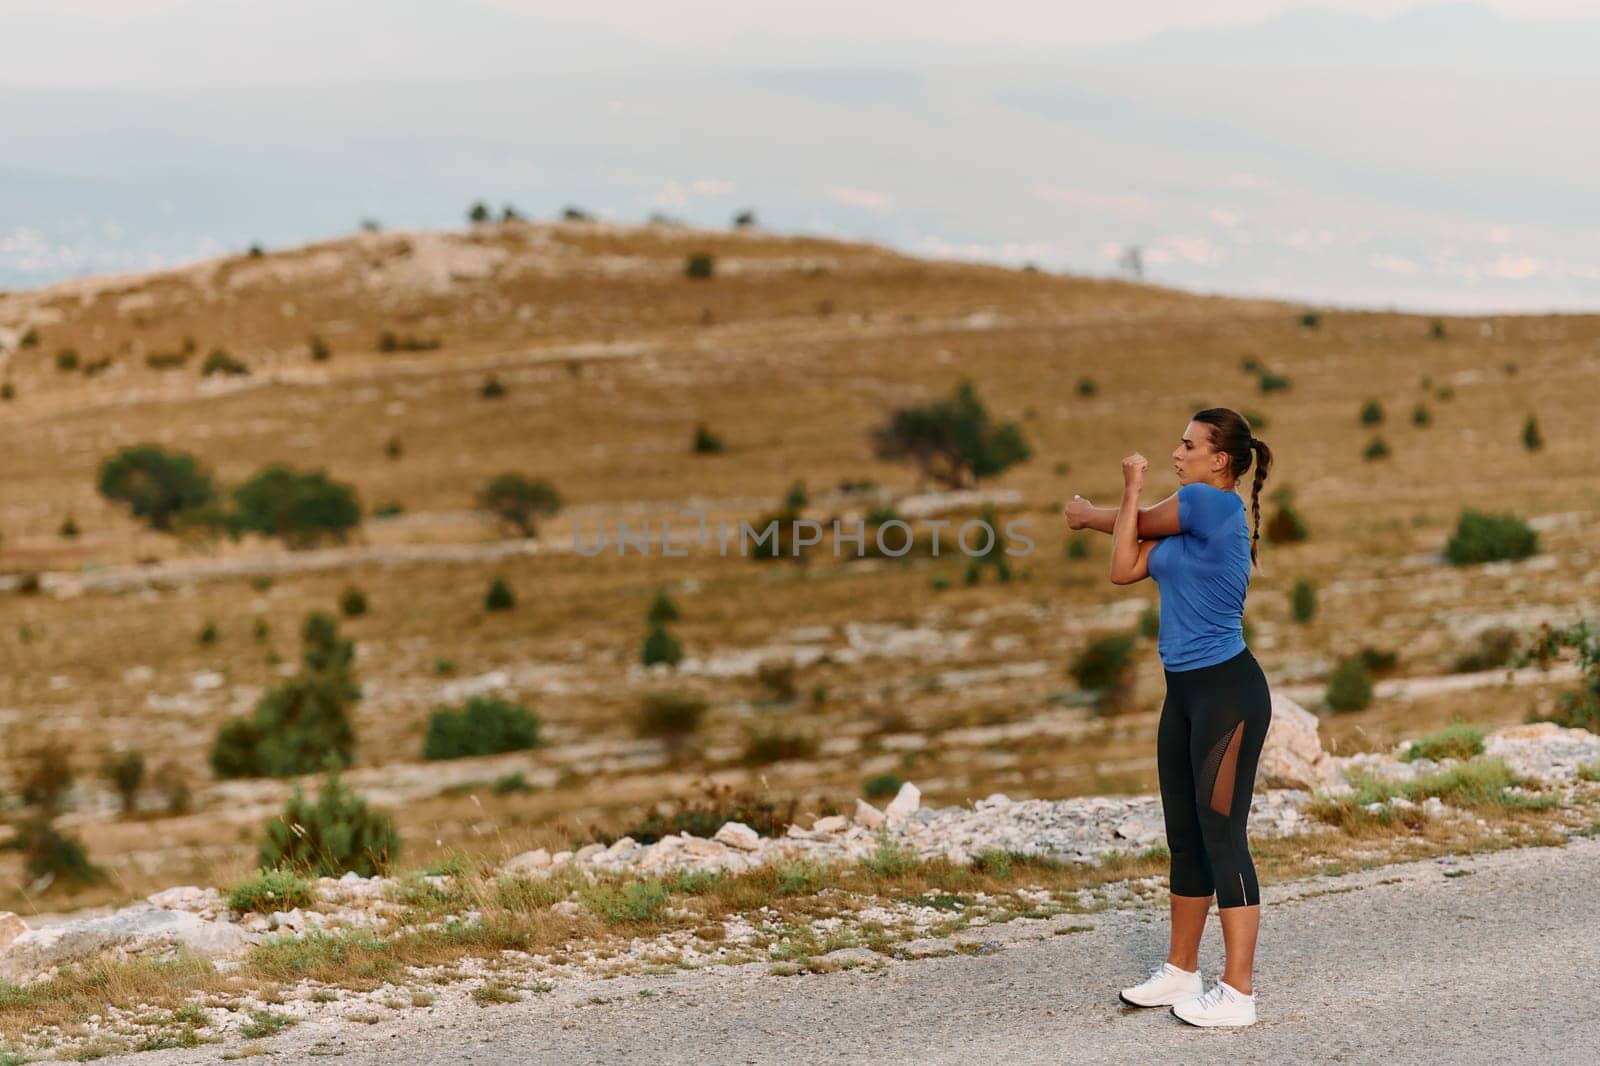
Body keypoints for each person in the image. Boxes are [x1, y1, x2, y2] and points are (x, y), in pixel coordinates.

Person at [1062, 408, 1275, 1028]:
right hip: (1182, 695)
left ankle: (1238, 993)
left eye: (1188, 446)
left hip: (1228, 694)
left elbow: (1139, 524)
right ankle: (1182, 970)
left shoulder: (1210, 506)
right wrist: (1118, 510)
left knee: (1222, 835)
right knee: (1184, 834)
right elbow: (1124, 564)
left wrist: (1110, 501)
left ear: (1221, 462)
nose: (1177, 454)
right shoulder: (1185, 535)